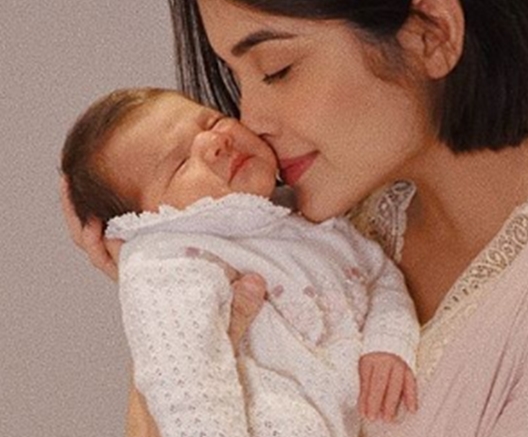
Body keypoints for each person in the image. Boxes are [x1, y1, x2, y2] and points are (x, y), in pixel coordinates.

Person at [61, 0, 528, 435]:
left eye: (277, 68)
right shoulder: (301, 239)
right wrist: (168, 290)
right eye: (236, 81)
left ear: (430, 34)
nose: (249, 118)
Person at [60, 87, 420, 437]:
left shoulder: (304, 216)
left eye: (212, 122)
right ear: (144, 221)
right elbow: (184, 384)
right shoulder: (168, 260)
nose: (215, 142)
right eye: (180, 163)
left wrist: (387, 341)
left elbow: (378, 272)